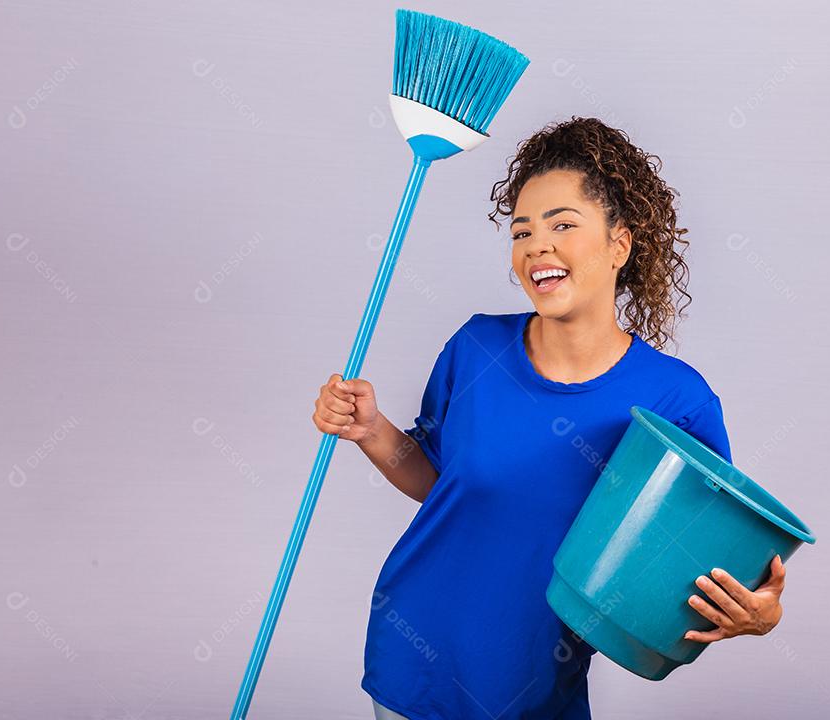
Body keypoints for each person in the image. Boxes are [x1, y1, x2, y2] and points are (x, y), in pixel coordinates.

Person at [313, 117, 787, 720]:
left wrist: (761, 613)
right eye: (522, 230)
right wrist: (370, 429)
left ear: (621, 243)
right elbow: (441, 483)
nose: (537, 244)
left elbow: (706, 558)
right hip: (416, 656)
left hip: (537, 681)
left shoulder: (677, 400)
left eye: (563, 224)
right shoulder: (476, 349)